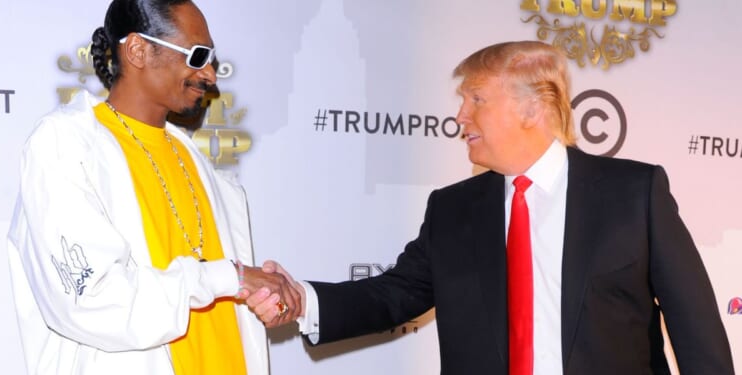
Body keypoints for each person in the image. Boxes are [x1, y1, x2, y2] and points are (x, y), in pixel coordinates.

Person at [246, 41, 734, 374]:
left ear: (533, 107)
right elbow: (392, 296)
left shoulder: (634, 192)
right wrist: (302, 300)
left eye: (476, 99)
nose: (460, 116)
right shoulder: (453, 210)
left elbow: (698, 335)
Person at [6, 1, 300, 374]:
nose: (210, 74)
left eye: (212, 59)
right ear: (138, 51)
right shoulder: (64, 145)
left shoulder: (204, 169)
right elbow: (93, 301)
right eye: (197, 56)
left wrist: (262, 291)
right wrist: (232, 276)